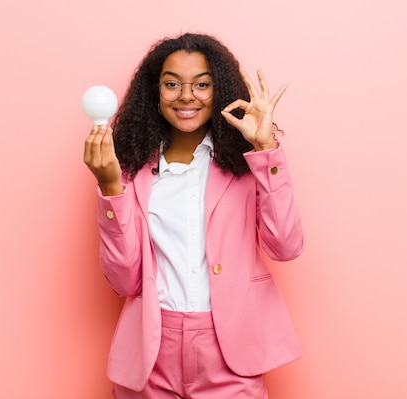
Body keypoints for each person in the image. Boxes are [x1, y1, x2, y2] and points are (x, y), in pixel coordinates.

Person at [83, 32, 304, 399]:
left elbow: (285, 246)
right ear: (154, 92)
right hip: (151, 356)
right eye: (172, 84)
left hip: (232, 351)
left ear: (219, 90)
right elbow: (124, 281)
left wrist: (266, 149)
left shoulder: (247, 165)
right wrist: (110, 186)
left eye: (202, 84)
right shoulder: (131, 171)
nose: (187, 96)